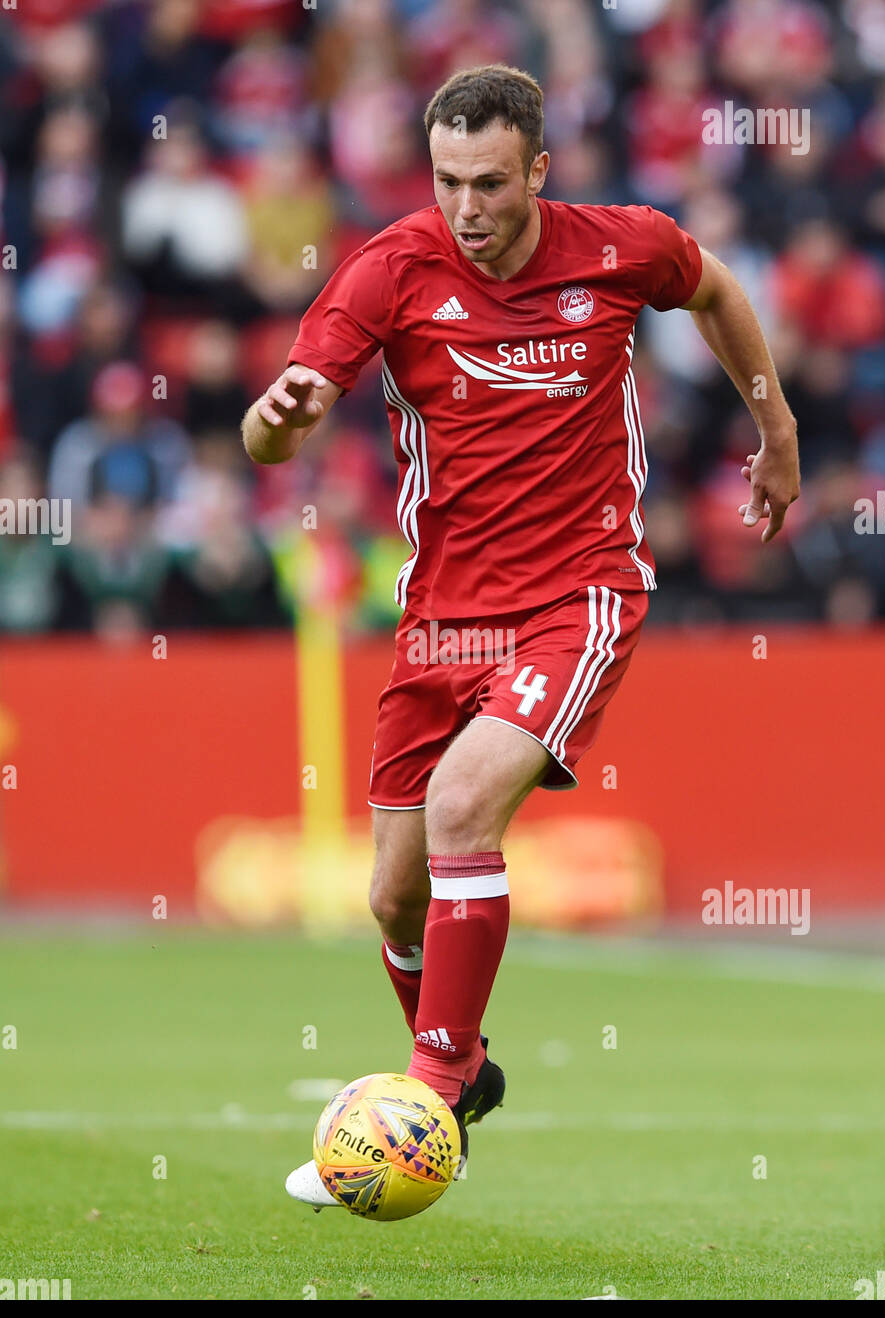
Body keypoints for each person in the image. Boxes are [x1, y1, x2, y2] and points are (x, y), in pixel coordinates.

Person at [240, 64, 800, 1207]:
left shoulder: (620, 247)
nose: (467, 208)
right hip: (439, 615)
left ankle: (430, 1095)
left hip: (578, 594)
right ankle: (464, 1061)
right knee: (393, 895)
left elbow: (718, 291)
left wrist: (775, 424)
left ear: (538, 169)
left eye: (490, 182)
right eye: (446, 181)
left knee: (458, 811)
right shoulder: (391, 269)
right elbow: (274, 431)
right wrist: (272, 419)